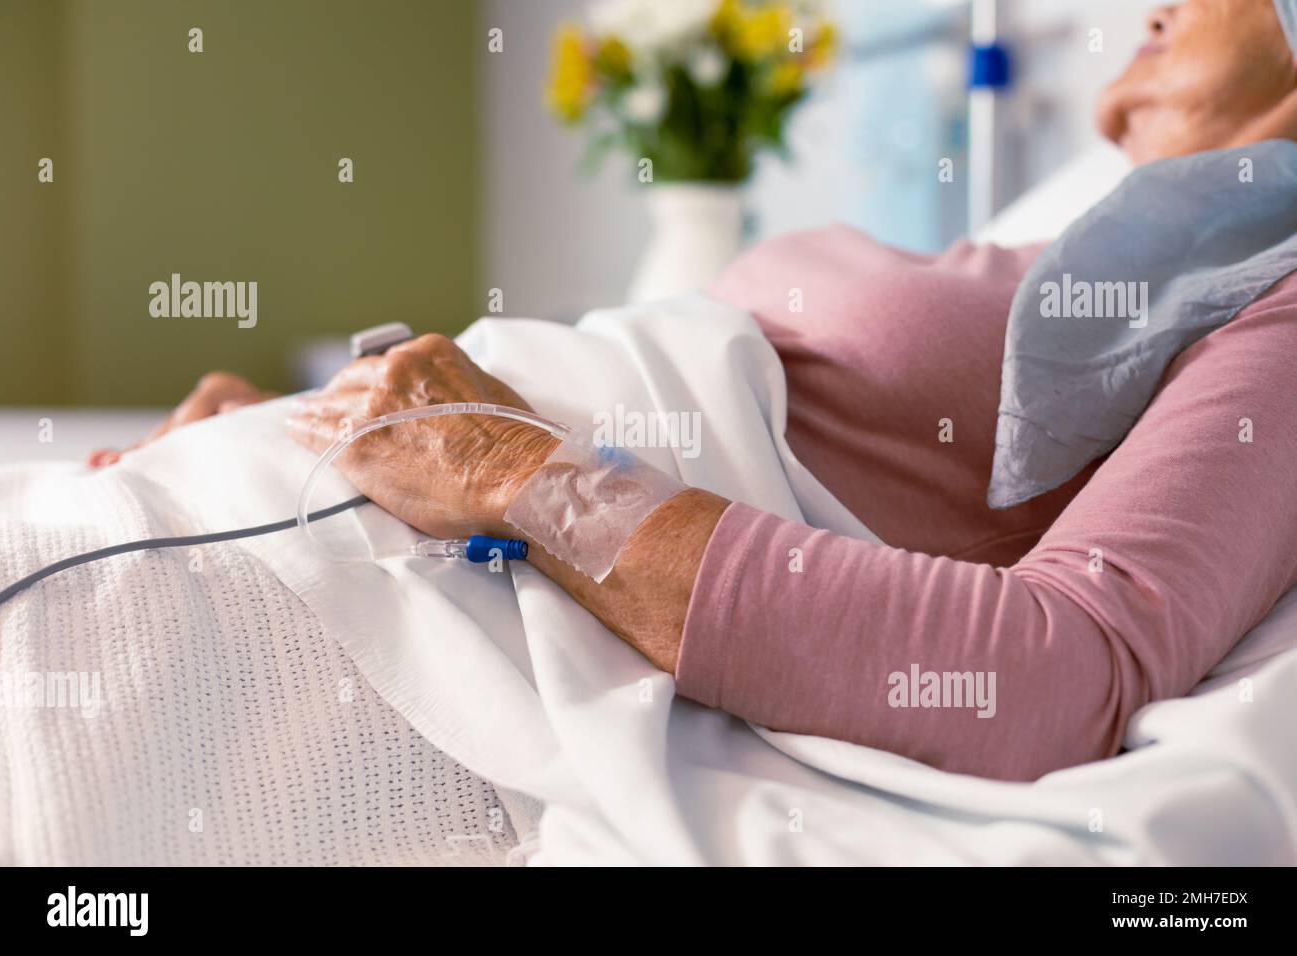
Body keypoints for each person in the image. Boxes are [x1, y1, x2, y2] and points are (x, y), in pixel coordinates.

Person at [97, 1, 1297, 781]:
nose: (1150, 11)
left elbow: (1054, 668)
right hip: (356, 482)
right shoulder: (1065, 268)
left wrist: (514, 468)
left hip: (467, 549)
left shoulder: (1273, 294)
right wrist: (283, 423)